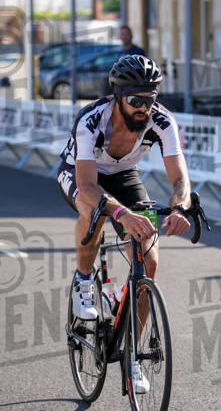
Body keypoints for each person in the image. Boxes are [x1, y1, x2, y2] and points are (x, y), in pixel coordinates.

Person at [57, 55, 192, 391]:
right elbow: (87, 186)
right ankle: (84, 282)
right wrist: (121, 213)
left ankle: (131, 354)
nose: (143, 108)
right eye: (135, 100)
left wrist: (179, 209)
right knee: (92, 211)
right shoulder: (91, 119)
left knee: (149, 260)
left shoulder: (162, 120)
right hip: (81, 174)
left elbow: (180, 179)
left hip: (124, 175)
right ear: (117, 96)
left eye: (150, 99)